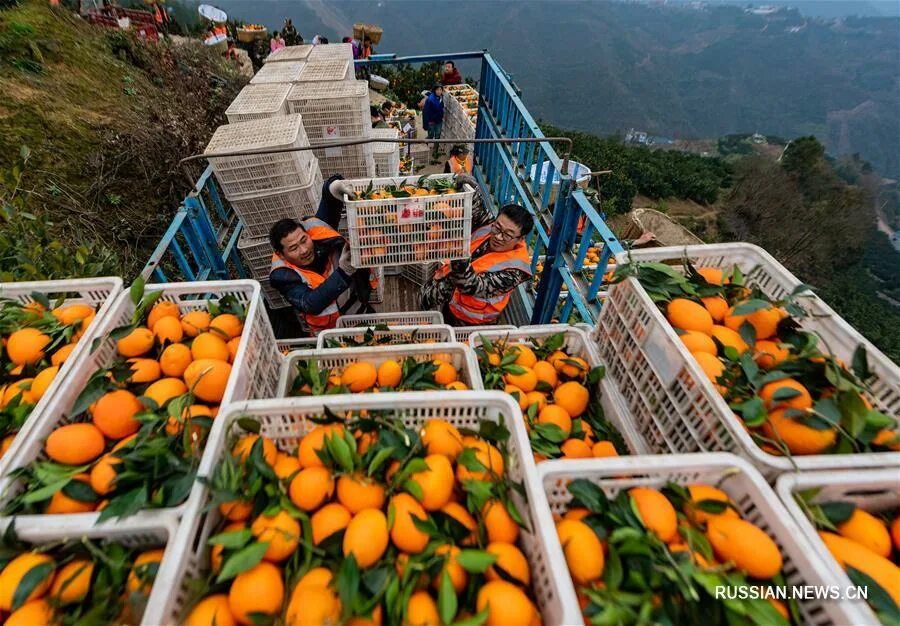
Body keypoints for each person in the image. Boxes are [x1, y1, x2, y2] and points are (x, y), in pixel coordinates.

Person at [421, 174, 534, 326]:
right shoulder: (489, 226)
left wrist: (458, 256)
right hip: (451, 299)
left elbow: (472, 286)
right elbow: (477, 209)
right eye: (497, 228)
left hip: (471, 321)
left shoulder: (513, 272)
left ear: (521, 238)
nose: (498, 237)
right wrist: (469, 187)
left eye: (507, 235)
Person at [269, 177, 376, 335]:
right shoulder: (282, 276)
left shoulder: (316, 232)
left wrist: (334, 186)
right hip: (332, 333)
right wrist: (344, 271)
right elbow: (310, 303)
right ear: (281, 254)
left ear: (306, 233)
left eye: (304, 240)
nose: (304, 250)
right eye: (293, 248)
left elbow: (329, 201)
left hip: (360, 311)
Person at [421, 84, 444, 163]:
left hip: (439, 120)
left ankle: (435, 151)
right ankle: (425, 144)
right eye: (437, 90)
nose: (439, 91)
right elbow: (425, 112)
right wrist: (425, 124)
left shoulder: (441, 98)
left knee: (438, 135)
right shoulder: (430, 99)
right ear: (434, 90)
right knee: (431, 135)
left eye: (440, 90)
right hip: (431, 121)